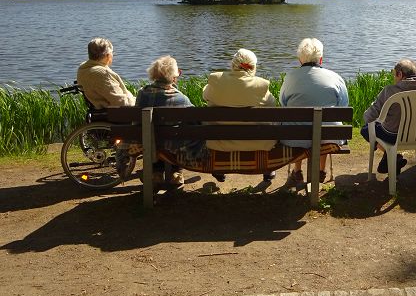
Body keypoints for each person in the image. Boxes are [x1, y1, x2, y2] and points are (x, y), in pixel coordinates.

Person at [279, 38, 349, 186]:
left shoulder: (290, 77)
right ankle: (321, 171)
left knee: (296, 126)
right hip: (330, 138)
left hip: (295, 137)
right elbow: (343, 105)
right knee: (325, 128)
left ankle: (297, 172)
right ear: (321, 59)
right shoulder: (335, 78)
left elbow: (283, 103)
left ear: (299, 59)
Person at [202, 49, 277, 183]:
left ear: (232, 64)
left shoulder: (216, 79)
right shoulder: (261, 85)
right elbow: (273, 105)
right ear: (253, 67)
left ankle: (219, 168)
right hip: (257, 142)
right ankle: (267, 169)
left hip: (219, 142)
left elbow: (205, 96)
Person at [135, 55, 200, 186]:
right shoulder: (181, 99)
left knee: (154, 136)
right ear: (173, 77)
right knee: (177, 136)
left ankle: (156, 173)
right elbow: (196, 122)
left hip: (146, 142)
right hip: (173, 145)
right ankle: (176, 173)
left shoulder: (142, 93)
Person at [361, 58, 416, 174]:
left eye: (394, 74)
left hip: (393, 136)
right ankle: (390, 158)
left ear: (400, 74)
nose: (394, 77)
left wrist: (371, 114)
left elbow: (369, 116)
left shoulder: (390, 91)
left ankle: (392, 156)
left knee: (365, 129)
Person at [76, 37, 135, 109]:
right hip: (115, 114)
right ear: (108, 55)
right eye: (112, 53)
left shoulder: (83, 69)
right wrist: (135, 99)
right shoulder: (102, 73)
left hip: (97, 111)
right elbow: (122, 102)